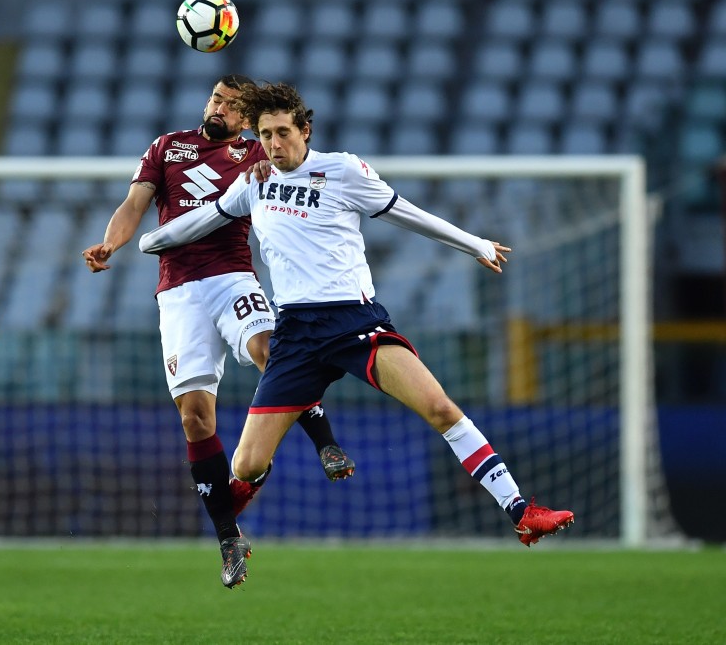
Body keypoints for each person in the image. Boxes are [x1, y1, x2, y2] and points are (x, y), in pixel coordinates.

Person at [139, 82, 575, 587]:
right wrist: (142, 242)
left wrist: (473, 243)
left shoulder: (342, 170)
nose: (275, 144)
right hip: (296, 337)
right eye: (265, 135)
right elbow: (200, 222)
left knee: (438, 407)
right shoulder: (253, 183)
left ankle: (522, 511)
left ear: (305, 130)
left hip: (353, 322)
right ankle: (230, 524)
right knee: (248, 463)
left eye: (283, 132)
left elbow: (407, 211)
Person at [81, 74, 355, 588]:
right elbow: (135, 205)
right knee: (195, 417)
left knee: (270, 351)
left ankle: (326, 442)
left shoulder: (258, 154)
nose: (219, 108)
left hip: (232, 276)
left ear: (247, 120)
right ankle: (229, 538)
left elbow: (302, 173)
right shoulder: (167, 147)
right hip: (178, 292)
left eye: (231, 105)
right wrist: (110, 243)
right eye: (215, 98)